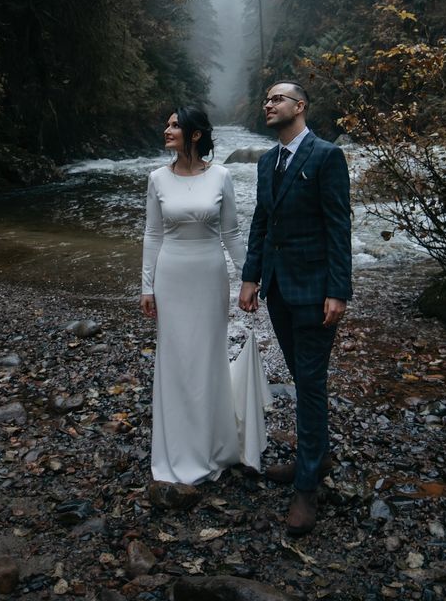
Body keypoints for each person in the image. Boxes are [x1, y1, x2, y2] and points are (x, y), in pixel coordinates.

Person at [239, 80, 352, 535]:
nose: (268, 103)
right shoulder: (268, 161)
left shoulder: (326, 156)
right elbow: (261, 222)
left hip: (316, 289)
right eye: (264, 98)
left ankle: (307, 486)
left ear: (300, 106)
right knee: (302, 378)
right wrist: (250, 277)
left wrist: (338, 290)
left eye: (277, 98)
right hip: (279, 290)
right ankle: (317, 455)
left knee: (309, 383)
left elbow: (338, 226)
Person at [140, 106, 247, 485]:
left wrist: (248, 279)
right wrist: (147, 286)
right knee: (175, 359)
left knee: (206, 358)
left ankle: (211, 445)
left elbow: (231, 233)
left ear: (195, 135)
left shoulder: (221, 175)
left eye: (174, 125)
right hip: (171, 276)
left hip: (209, 275)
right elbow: (153, 234)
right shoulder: (156, 178)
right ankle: (175, 450)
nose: (166, 129)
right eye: (166, 123)